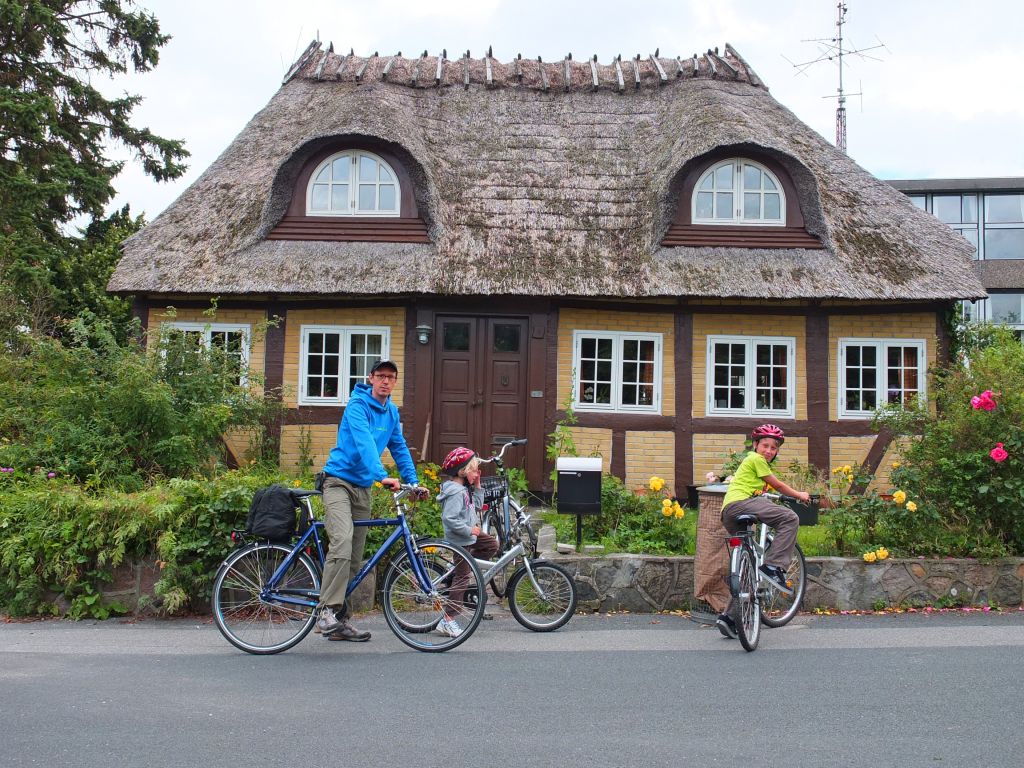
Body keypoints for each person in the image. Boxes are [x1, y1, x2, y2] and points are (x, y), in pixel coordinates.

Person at [316, 359, 421, 642]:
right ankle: (324, 611)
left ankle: (339, 621)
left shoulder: (391, 413)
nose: (386, 381)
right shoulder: (357, 405)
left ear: (395, 382)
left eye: (391, 377)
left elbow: (398, 446)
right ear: (371, 378)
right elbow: (363, 443)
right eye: (381, 376)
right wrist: (381, 475)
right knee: (342, 541)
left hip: (361, 488)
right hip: (337, 482)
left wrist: (414, 482)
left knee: (354, 558)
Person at [716, 423, 810, 639]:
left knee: (748, 565)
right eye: (765, 445)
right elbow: (777, 486)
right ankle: (774, 567)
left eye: (774, 448)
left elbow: (762, 490)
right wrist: (800, 495)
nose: (769, 451)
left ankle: (729, 618)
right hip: (742, 503)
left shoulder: (753, 464)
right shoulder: (755, 459)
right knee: (789, 518)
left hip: (729, 512)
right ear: (755, 445)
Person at [436, 447, 499, 638]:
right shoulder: (456, 492)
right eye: (474, 471)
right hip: (460, 538)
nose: (477, 474)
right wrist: (469, 529)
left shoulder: (464, 489)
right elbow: (450, 519)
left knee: (491, 545)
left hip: (469, 535)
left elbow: (478, 507)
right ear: (463, 471)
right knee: (463, 577)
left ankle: (456, 569)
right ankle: (447, 620)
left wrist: (478, 486)